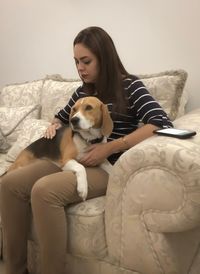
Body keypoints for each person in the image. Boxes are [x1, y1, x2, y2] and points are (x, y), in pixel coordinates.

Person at [0, 26, 173, 274]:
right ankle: (15, 269)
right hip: (71, 155)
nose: (80, 68)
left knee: (44, 191)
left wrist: (112, 146)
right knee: (9, 184)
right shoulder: (82, 91)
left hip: (105, 165)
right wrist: (53, 125)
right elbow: (61, 117)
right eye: (76, 62)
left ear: (104, 57)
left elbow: (161, 122)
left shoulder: (131, 86)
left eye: (86, 61)